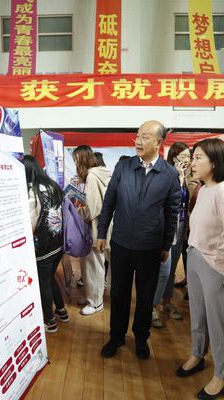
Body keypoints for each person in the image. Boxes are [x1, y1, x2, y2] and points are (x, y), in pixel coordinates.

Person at [97, 120, 181, 360]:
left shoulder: (169, 174)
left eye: (145, 137)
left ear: (159, 142)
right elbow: (109, 202)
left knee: (145, 296)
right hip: (121, 243)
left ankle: (141, 338)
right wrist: (102, 233)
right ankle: (116, 337)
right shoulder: (123, 167)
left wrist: (166, 245)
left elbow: (172, 213)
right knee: (118, 294)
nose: (138, 141)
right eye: (137, 136)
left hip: (150, 247)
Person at [176, 138, 224, 399]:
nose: (192, 163)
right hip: (195, 257)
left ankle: (222, 374)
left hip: (215, 265)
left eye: (197, 158)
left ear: (215, 162)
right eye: (192, 157)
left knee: (219, 323)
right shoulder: (205, 189)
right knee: (198, 314)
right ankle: (197, 354)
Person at [23, 155, 68, 334]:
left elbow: (31, 222)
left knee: (44, 283)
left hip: (43, 246)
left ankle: (49, 321)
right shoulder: (52, 186)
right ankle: (62, 311)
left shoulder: (33, 192)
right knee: (50, 277)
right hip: (58, 243)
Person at [152, 141, 190, 328]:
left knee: (173, 269)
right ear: (174, 157)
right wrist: (179, 178)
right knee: (162, 270)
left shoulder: (186, 175)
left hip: (181, 226)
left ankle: (166, 302)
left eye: (189, 156)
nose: (187, 160)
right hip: (167, 227)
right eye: (183, 156)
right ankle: (153, 306)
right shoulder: (167, 175)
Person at [72, 145, 112, 316]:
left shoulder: (92, 176)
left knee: (93, 266)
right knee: (93, 265)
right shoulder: (101, 173)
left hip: (95, 228)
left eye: (76, 160)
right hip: (102, 226)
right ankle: (92, 296)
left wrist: (75, 207)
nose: (75, 164)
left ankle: (95, 303)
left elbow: (90, 210)